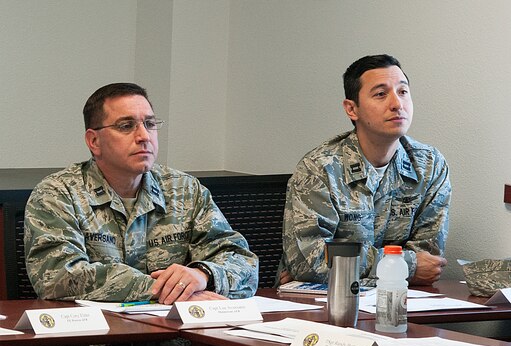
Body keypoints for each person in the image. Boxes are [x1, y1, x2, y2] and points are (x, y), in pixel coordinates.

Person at [24, 82, 259, 304]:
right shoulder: (57, 194)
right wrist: (166, 291)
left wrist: (203, 275)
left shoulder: (184, 190)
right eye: (126, 126)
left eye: (150, 124)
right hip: (97, 341)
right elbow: (57, 277)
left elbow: (243, 263)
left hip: (176, 341)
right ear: (94, 141)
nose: (144, 136)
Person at [278, 54, 450, 287]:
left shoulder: (430, 165)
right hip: (323, 306)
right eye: (381, 94)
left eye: (403, 92)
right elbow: (309, 262)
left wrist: (352, 270)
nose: (397, 104)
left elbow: (428, 261)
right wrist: (405, 267)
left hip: (402, 300)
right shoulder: (319, 169)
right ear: (352, 109)